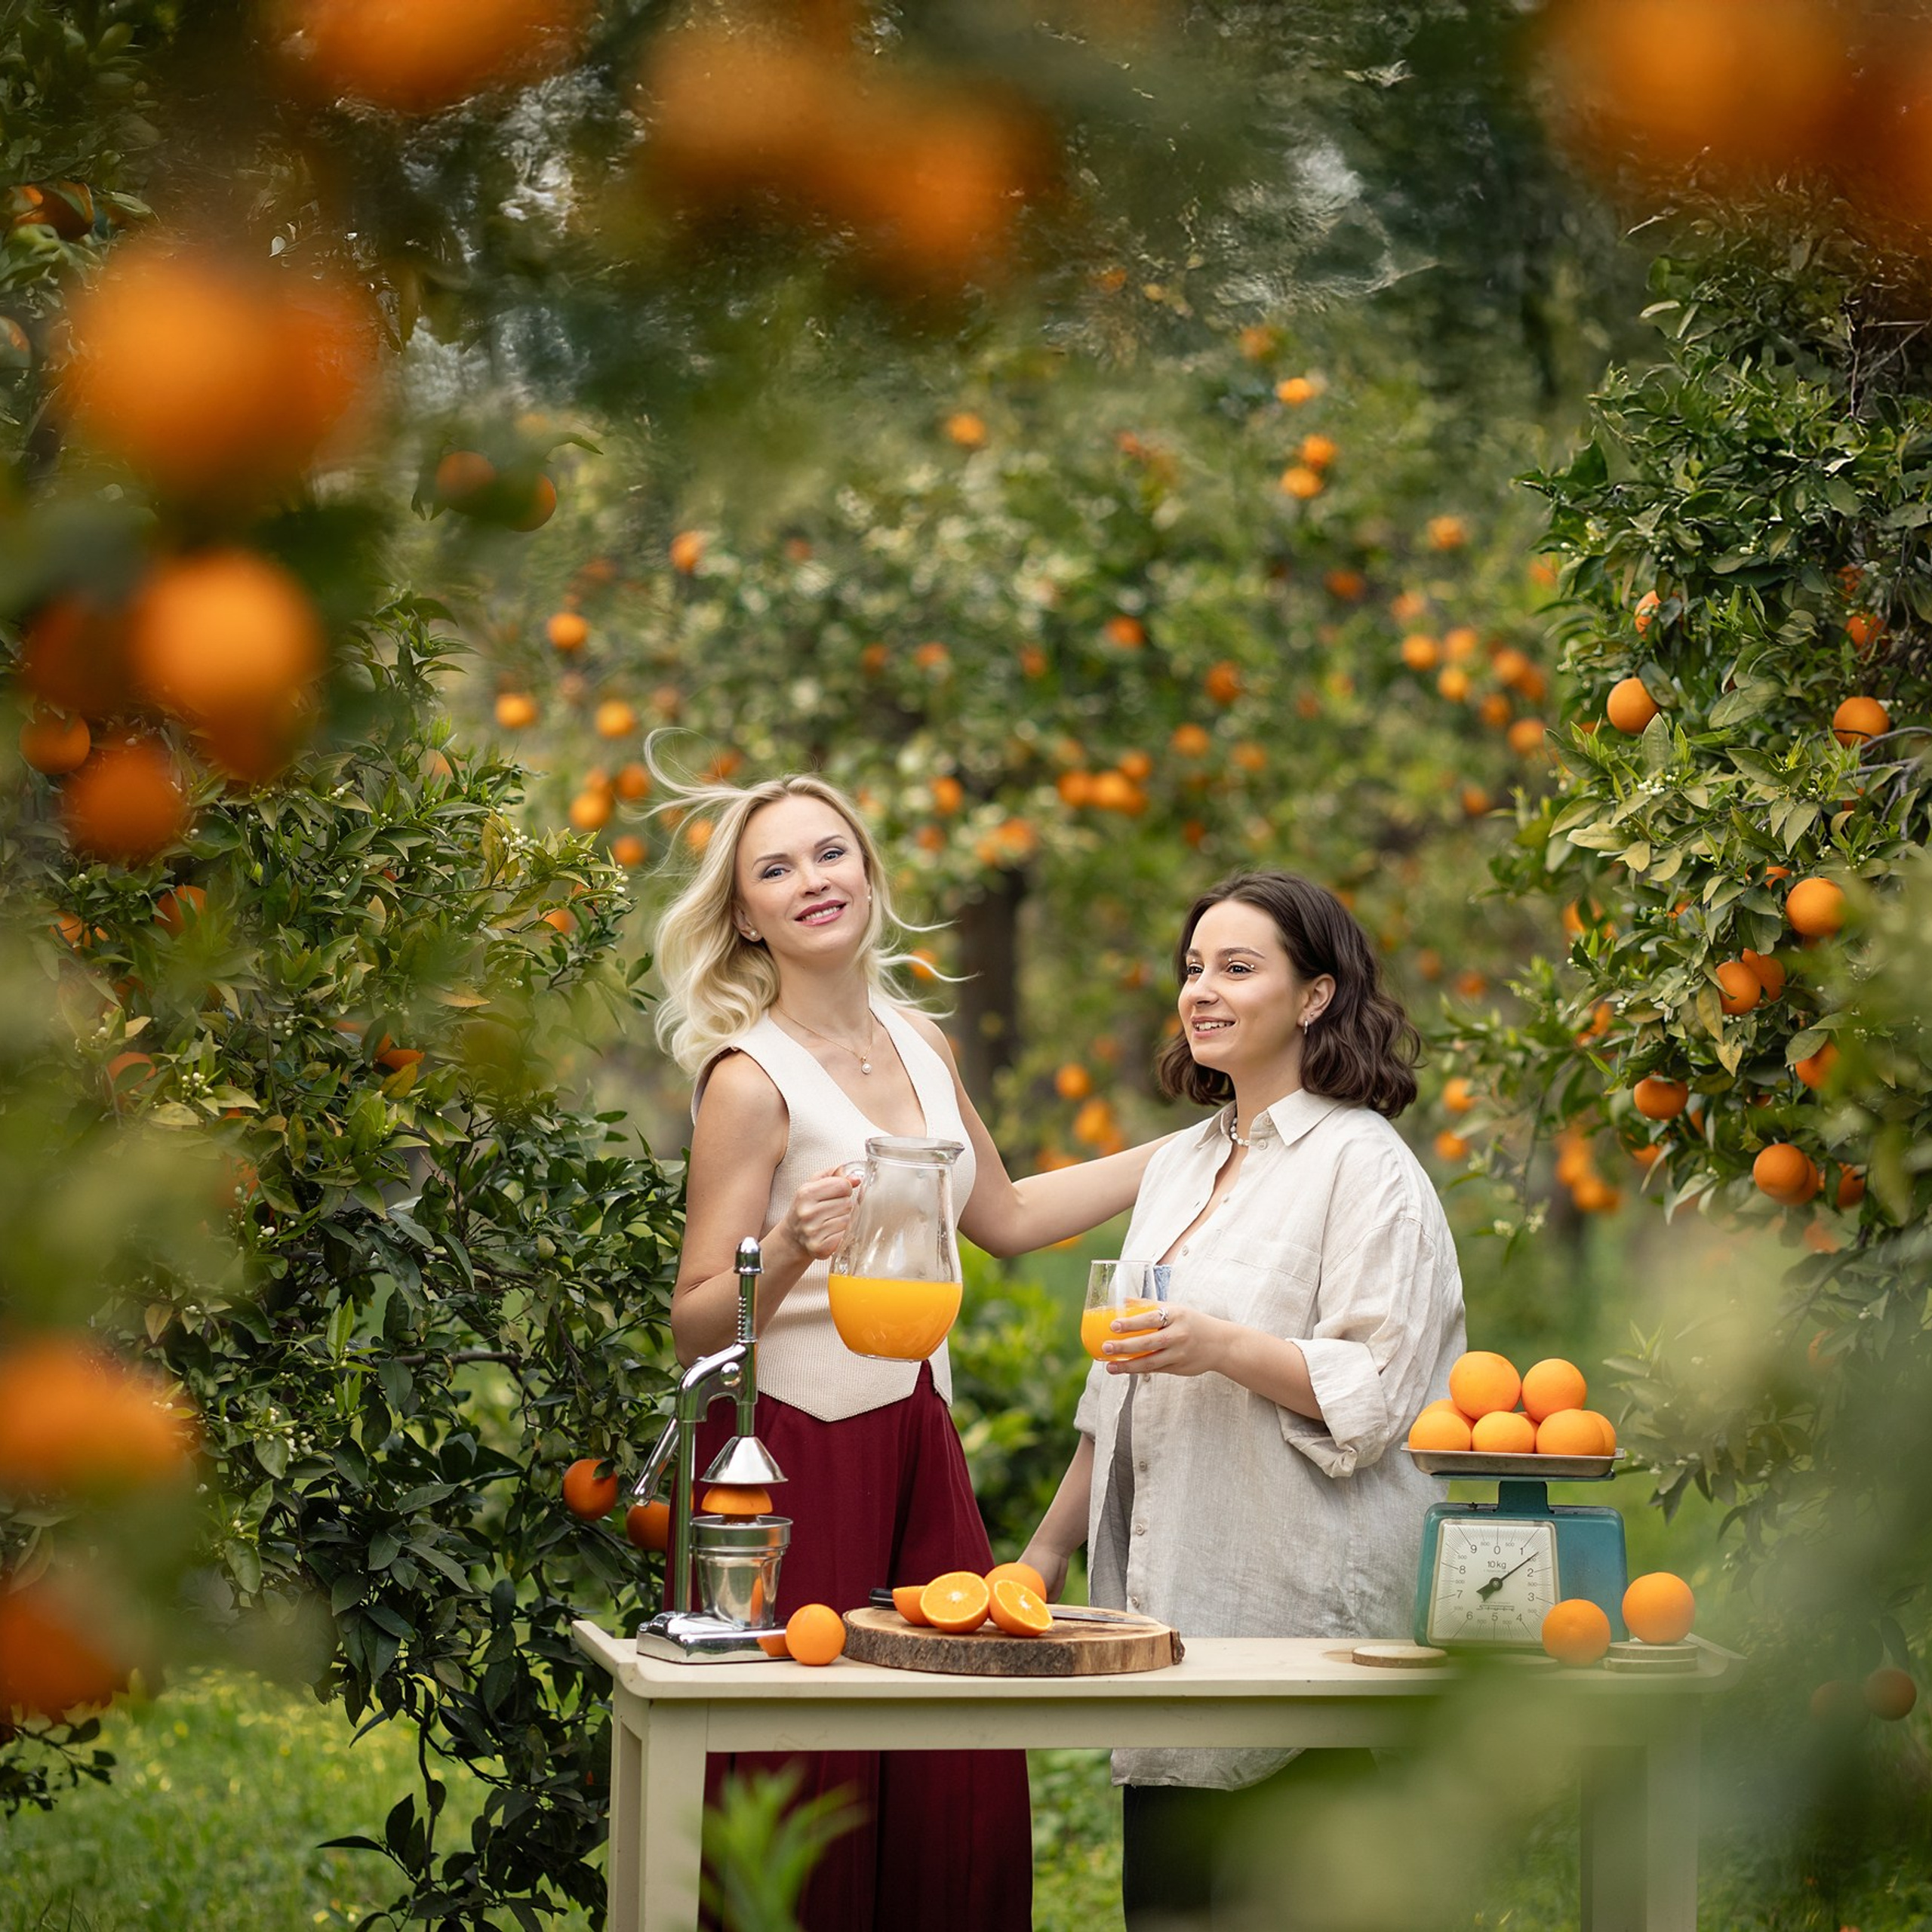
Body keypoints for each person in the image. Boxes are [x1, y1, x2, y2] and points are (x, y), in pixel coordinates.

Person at [654, 767, 1169, 1932]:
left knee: (957, 1760)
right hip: (792, 1455)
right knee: (810, 1769)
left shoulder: (923, 1041)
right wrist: (791, 1242)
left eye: (829, 852)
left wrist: (1188, 1147)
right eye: (775, 869)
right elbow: (692, 1323)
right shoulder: (749, 1080)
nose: (811, 880)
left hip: (919, 1435)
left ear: (868, 871)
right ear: (746, 916)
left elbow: (1009, 1218)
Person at [1020, 869, 1466, 1927]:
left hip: (1298, 1610)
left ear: (1314, 996)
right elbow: (1116, 1386)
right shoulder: (1182, 1165)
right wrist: (1044, 1552)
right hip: (1170, 1602)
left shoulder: (1366, 1167)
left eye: (1237, 967)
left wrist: (1221, 1346)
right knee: (1170, 1904)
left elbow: (1376, 1389)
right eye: (1192, 968)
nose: (1202, 990)